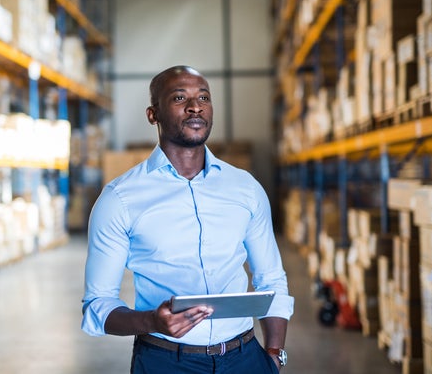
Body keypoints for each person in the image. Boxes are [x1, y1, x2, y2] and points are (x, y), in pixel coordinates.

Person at [81, 65, 294, 373]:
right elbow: (97, 305)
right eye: (180, 97)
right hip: (165, 361)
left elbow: (271, 279)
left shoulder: (245, 188)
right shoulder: (120, 199)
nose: (195, 106)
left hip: (244, 358)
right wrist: (151, 320)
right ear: (153, 115)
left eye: (204, 97)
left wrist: (274, 354)